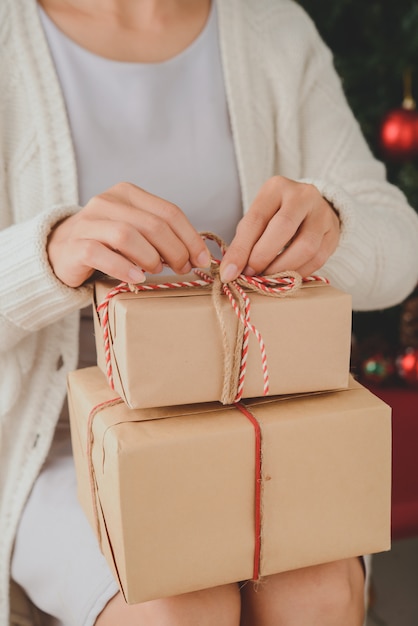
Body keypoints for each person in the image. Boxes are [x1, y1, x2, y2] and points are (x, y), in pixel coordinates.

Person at [1, 0, 418, 624]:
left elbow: (401, 249)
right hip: (57, 444)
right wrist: (47, 255)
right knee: (177, 607)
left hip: (266, 424)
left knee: (318, 594)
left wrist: (335, 225)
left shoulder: (271, 28)